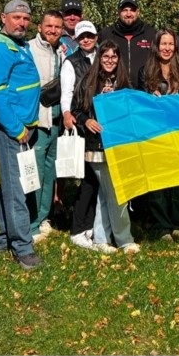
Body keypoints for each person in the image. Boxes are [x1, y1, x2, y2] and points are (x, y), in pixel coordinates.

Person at [0, 0, 43, 270]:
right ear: (3, 18)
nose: (22, 23)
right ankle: (23, 247)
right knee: (16, 187)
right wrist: (17, 129)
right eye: (16, 17)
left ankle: (3, 237)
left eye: (26, 19)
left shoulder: (16, 43)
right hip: (9, 127)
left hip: (19, 125)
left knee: (9, 182)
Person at [73, 41, 140, 254]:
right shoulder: (88, 81)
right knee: (116, 192)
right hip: (96, 146)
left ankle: (101, 238)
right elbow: (76, 109)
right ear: (99, 58)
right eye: (105, 56)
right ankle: (124, 239)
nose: (109, 60)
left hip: (118, 144)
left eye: (113, 57)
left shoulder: (123, 84)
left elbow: (131, 111)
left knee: (106, 192)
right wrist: (86, 121)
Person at [139, 28, 179, 242]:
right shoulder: (146, 71)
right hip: (155, 133)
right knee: (158, 180)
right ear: (156, 46)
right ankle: (162, 226)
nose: (167, 48)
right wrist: (150, 98)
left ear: (175, 46)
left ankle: (177, 223)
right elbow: (138, 103)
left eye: (170, 44)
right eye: (163, 44)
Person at [60, 21, 101, 250]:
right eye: (82, 37)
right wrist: (67, 113)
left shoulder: (102, 56)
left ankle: (90, 224)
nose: (86, 40)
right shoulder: (71, 62)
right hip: (82, 122)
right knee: (86, 179)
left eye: (90, 36)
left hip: (100, 125)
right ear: (76, 39)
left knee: (97, 179)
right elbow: (66, 92)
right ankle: (78, 228)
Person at [28, 9, 65, 243]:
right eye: (49, 26)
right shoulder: (29, 49)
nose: (53, 30)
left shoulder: (60, 51)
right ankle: (30, 223)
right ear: (40, 27)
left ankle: (43, 218)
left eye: (57, 27)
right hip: (38, 120)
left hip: (56, 120)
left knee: (50, 171)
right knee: (36, 173)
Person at [99, 0, 156, 89]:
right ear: (118, 12)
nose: (128, 14)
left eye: (132, 10)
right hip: (115, 91)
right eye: (125, 10)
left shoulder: (151, 33)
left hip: (144, 91)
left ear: (138, 12)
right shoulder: (106, 34)